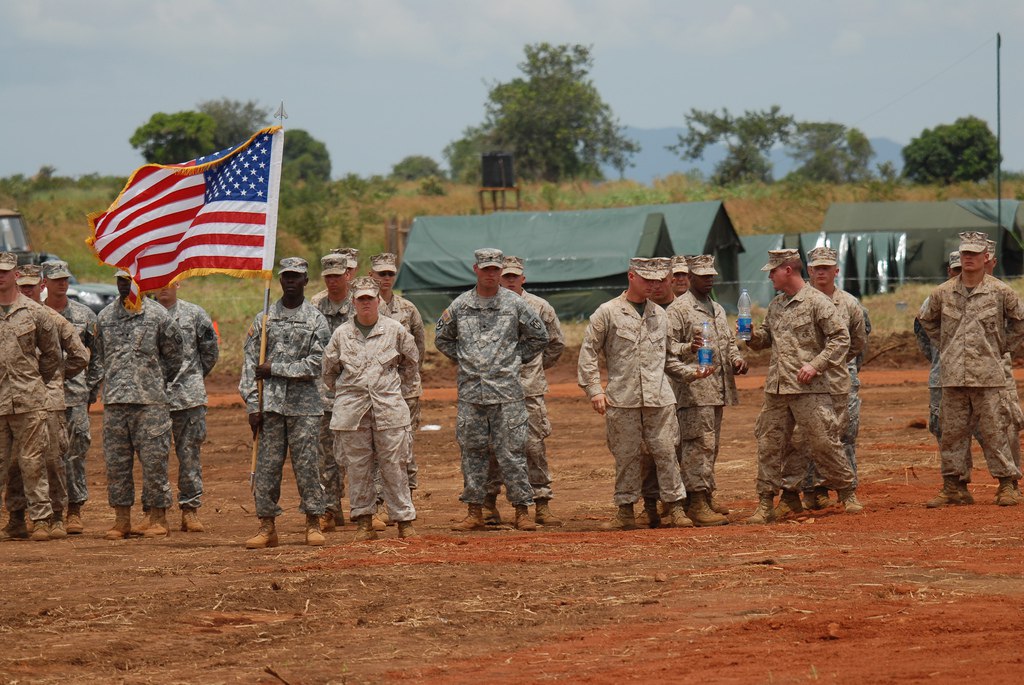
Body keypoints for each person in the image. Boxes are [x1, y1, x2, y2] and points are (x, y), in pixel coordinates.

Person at [578, 257, 710, 530]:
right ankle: (625, 511)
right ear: (631, 277)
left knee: (666, 453)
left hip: (659, 398)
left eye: (659, 280)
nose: (654, 285)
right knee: (626, 456)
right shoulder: (608, 312)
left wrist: (692, 373)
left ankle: (674, 509)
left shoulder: (660, 315)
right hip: (622, 398)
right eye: (648, 279)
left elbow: (668, 359)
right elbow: (588, 353)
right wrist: (594, 390)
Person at [435, 248, 548, 532]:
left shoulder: (515, 304)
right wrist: (465, 358)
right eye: (485, 269)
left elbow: (539, 336)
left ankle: (522, 510)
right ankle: (475, 511)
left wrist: (513, 358)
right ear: (475, 269)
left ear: (500, 270)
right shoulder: (460, 305)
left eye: (495, 269)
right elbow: (441, 338)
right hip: (472, 395)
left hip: (507, 393)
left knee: (512, 453)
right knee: (472, 453)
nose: (491, 274)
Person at [743, 249, 860, 524]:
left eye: (772, 271)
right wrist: (750, 336)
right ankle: (765, 503)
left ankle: (847, 492)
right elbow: (766, 339)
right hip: (778, 388)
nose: (769, 276)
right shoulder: (776, 305)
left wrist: (816, 365)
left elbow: (841, 339)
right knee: (769, 444)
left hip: (809, 388)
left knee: (824, 442)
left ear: (786, 270)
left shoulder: (817, 302)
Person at [919, 232, 1024, 507]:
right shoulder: (942, 292)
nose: (968, 258)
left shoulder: (1001, 291)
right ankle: (954, 486)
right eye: (965, 253)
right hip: (952, 376)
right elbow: (927, 320)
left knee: (996, 432)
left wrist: (1002, 347)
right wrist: (946, 345)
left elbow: (1019, 322)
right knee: (952, 433)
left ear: (986, 257)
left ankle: (1007, 485)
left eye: (974, 254)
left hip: (988, 376)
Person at [241, 257, 331, 548]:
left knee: (308, 467)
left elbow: (318, 364)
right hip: (270, 408)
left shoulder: (316, 319)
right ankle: (266, 527)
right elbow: (250, 366)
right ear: (280, 280)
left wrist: (276, 368)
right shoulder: (264, 319)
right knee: (267, 468)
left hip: (305, 408)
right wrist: (253, 406)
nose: (290, 281)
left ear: (306, 281)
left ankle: (313, 523)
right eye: (286, 276)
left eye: (296, 276)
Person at [322, 277, 420, 541]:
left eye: (370, 298)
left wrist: (389, 389)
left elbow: (410, 365)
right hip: (352, 413)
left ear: (378, 300)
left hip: (389, 410)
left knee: (395, 466)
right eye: (361, 299)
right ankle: (364, 521)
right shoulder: (341, 334)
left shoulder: (395, 330)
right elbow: (329, 373)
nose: (366, 303)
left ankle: (404, 521)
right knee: (358, 468)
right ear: (353, 302)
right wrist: (350, 392)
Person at [95, 270, 184, 539]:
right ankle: (122, 519)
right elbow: (99, 355)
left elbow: (174, 357)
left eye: (130, 280)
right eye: (120, 280)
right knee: (117, 464)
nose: (125, 285)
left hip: (150, 403)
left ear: (141, 282)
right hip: (115, 403)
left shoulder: (158, 315)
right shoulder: (104, 318)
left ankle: (158, 517)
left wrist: (154, 381)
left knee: (155, 461)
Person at [779, 246, 868, 515]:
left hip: (835, 383)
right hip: (802, 384)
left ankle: (830, 488)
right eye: (816, 267)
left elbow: (856, 342)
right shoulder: (795, 300)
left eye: (826, 268)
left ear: (836, 271)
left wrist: (828, 364)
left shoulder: (850, 304)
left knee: (833, 437)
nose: (821, 272)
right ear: (808, 270)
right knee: (800, 439)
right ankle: (804, 491)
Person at [5, 264, 88, 540]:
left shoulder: (48, 317)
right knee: (14, 464)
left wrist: (50, 379)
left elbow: (77, 355)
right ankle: (18, 517)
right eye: (24, 285)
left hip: (46, 399)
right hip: (10, 399)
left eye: (32, 286)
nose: (28, 290)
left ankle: (55, 516)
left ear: (40, 286)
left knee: (49, 461)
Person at [665, 254, 748, 526]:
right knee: (696, 446)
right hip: (693, 390)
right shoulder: (678, 310)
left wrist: (736, 359)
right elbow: (667, 351)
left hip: (717, 389)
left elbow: (727, 341)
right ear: (690, 278)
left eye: (712, 274)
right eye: (703, 276)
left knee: (711, 445)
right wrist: (689, 350)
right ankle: (695, 501)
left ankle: (706, 494)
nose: (709, 279)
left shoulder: (717, 308)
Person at [483, 255, 566, 526]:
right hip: (493, 389)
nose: (508, 281)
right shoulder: (484, 306)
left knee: (533, 446)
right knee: (492, 447)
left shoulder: (540, 307)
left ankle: (541, 503)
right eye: (504, 276)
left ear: (523, 278)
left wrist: (535, 366)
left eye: (512, 276)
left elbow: (555, 344)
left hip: (528, 390)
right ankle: (488, 504)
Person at [0, 256, 63, 542]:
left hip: (29, 400)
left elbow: (51, 354)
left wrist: (35, 382)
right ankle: (14, 522)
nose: (0, 277)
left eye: (4, 272)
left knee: (32, 461)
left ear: (15, 274)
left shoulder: (35, 312)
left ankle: (41, 519)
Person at [42, 259, 102, 534]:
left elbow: (96, 357)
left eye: (65, 278)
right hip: (43, 398)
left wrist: (89, 392)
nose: (62, 283)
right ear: (45, 283)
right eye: (56, 279)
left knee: (76, 453)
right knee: (46, 455)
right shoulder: (36, 314)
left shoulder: (85, 315)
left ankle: (74, 510)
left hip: (76, 397)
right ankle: (47, 511)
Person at [154, 282, 219, 533]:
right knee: (154, 459)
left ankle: (190, 510)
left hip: (188, 398)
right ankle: (156, 513)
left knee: (189, 455)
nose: (163, 288)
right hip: (154, 397)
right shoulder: (146, 313)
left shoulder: (195, 314)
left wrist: (192, 378)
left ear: (178, 283)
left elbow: (210, 352)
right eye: (158, 282)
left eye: (168, 281)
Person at [370, 252, 425, 517]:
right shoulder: (365, 307)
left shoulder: (408, 309)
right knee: (377, 449)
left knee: (405, 448)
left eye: (390, 273)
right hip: (377, 390)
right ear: (371, 275)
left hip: (405, 391)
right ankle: (379, 505)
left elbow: (418, 350)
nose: (386, 278)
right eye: (381, 273)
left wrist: (407, 378)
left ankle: (406, 502)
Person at [311, 250, 355, 531]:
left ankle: (369, 508)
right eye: (328, 277)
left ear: (348, 275)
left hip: (357, 393)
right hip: (325, 395)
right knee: (326, 456)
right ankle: (330, 508)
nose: (333, 282)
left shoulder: (362, 304)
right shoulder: (314, 306)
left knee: (362, 455)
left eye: (338, 276)